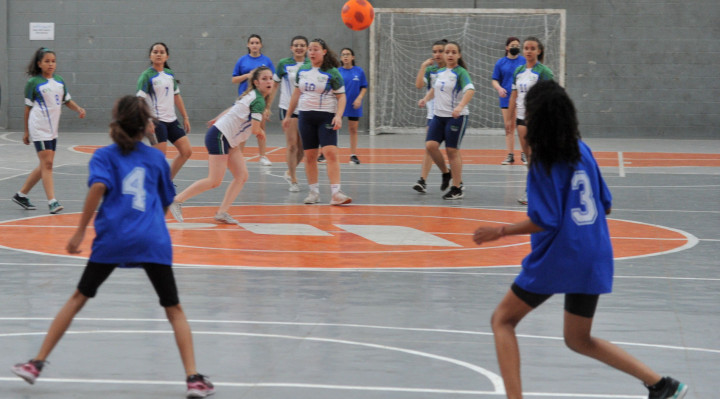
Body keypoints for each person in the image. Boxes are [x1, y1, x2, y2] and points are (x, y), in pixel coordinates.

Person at [472, 81, 688, 399]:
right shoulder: (582, 151)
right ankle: (662, 385)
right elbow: (607, 204)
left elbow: (546, 220)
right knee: (578, 339)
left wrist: (500, 231)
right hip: (595, 254)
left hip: (561, 256)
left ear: (536, 118)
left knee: (502, 320)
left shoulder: (543, 162)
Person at [10, 95, 215, 399]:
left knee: (79, 297)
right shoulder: (157, 159)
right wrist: (150, 229)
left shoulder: (103, 156)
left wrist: (80, 232)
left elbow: (97, 188)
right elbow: (164, 202)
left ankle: (36, 363)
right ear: (147, 125)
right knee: (174, 309)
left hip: (113, 238)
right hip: (152, 240)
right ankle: (194, 379)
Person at [170, 67, 272, 224]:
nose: (269, 81)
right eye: (264, 78)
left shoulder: (253, 96)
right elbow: (254, 129)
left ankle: (222, 212)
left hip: (227, 138)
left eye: (270, 78)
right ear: (256, 82)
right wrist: (261, 133)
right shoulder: (257, 100)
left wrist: (217, 118)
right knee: (214, 180)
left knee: (241, 175)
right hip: (220, 136)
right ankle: (177, 200)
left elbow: (233, 109)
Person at [12, 47, 86, 214]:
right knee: (48, 164)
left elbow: (67, 101)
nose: (51, 64)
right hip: (39, 126)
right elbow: (27, 108)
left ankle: (21, 194)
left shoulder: (59, 81)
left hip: (53, 128)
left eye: (53, 61)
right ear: (39, 64)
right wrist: (26, 132)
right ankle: (52, 201)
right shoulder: (34, 83)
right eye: (47, 61)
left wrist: (79, 109)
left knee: (45, 164)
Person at [282, 38, 351, 206]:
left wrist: (338, 116)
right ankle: (314, 192)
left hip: (326, 116)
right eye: (310, 49)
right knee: (310, 155)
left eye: (316, 49)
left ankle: (336, 193)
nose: (312, 52)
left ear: (324, 52)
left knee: (330, 152)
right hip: (305, 117)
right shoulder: (303, 70)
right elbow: (296, 94)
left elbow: (341, 97)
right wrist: (288, 115)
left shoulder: (332, 72)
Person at [418, 41, 475, 200]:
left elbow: (470, 90)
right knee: (430, 145)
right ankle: (446, 173)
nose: (449, 55)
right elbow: (434, 90)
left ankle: (456, 188)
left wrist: (460, 106)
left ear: (458, 55)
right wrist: (425, 99)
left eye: (453, 52)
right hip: (438, 116)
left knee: (451, 151)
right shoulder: (440, 72)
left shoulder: (461, 73)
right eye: (447, 52)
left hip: (456, 117)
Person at [508, 36, 554, 205]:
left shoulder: (544, 72)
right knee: (528, 156)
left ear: (538, 51)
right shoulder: (518, 71)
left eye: (532, 48)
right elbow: (514, 96)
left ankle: (531, 191)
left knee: (535, 155)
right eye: (526, 48)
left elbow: (552, 95)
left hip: (537, 119)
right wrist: (509, 119)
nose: (528, 51)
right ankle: (540, 187)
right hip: (521, 119)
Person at [136, 42, 192, 180]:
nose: (158, 54)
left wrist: (185, 117)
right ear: (150, 56)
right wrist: (147, 121)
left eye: (161, 52)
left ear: (167, 56)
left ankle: (166, 182)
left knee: (187, 152)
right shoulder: (146, 76)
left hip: (172, 121)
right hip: (155, 122)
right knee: (159, 161)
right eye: (155, 52)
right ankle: (149, 188)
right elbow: (139, 101)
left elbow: (176, 96)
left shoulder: (169, 74)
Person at [271, 35, 309, 192]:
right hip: (287, 107)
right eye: (296, 45)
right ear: (291, 48)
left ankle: (289, 171)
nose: (299, 47)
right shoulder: (283, 64)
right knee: (292, 145)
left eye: (302, 45)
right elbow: (274, 85)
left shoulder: (310, 64)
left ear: (306, 48)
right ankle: (293, 180)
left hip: (306, 108)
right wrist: (267, 106)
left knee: (303, 149)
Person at [231, 34, 275, 166]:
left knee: (260, 128)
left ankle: (263, 156)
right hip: (245, 99)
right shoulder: (242, 60)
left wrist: (267, 106)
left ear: (261, 45)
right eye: (252, 42)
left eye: (257, 42)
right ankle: (240, 156)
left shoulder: (266, 61)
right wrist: (247, 75)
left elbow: (271, 82)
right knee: (242, 128)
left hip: (259, 99)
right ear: (248, 45)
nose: (255, 45)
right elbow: (234, 79)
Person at [412, 39, 447, 194]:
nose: (437, 54)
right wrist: (423, 66)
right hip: (433, 114)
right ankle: (422, 181)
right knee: (429, 147)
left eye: (440, 51)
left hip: (450, 114)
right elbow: (419, 85)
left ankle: (456, 180)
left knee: (452, 150)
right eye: (435, 51)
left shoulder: (454, 71)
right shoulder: (431, 70)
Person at [492, 37, 526, 165]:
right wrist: (499, 88)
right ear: (507, 47)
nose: (515, 47)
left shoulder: (523, 61)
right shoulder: (501, 63)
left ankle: (524, 154)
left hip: (521, 98)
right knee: (509, 127)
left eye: (517, 45)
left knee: (522, 127)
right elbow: (494, 79)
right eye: (513, 45)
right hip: (506, 99)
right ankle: (510, 155)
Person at [338, 48, 368, 165]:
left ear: (353, 57)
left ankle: (353, 155)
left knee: (353, 129)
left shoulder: (359, 71)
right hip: (339, 104)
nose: (345, 56)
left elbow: (364, 86)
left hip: (353, 104)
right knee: (332, 128)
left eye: (348, 54)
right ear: (341, 58)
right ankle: (325, 152)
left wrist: (359, 98)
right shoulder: (337, 71)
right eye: (343, 55)